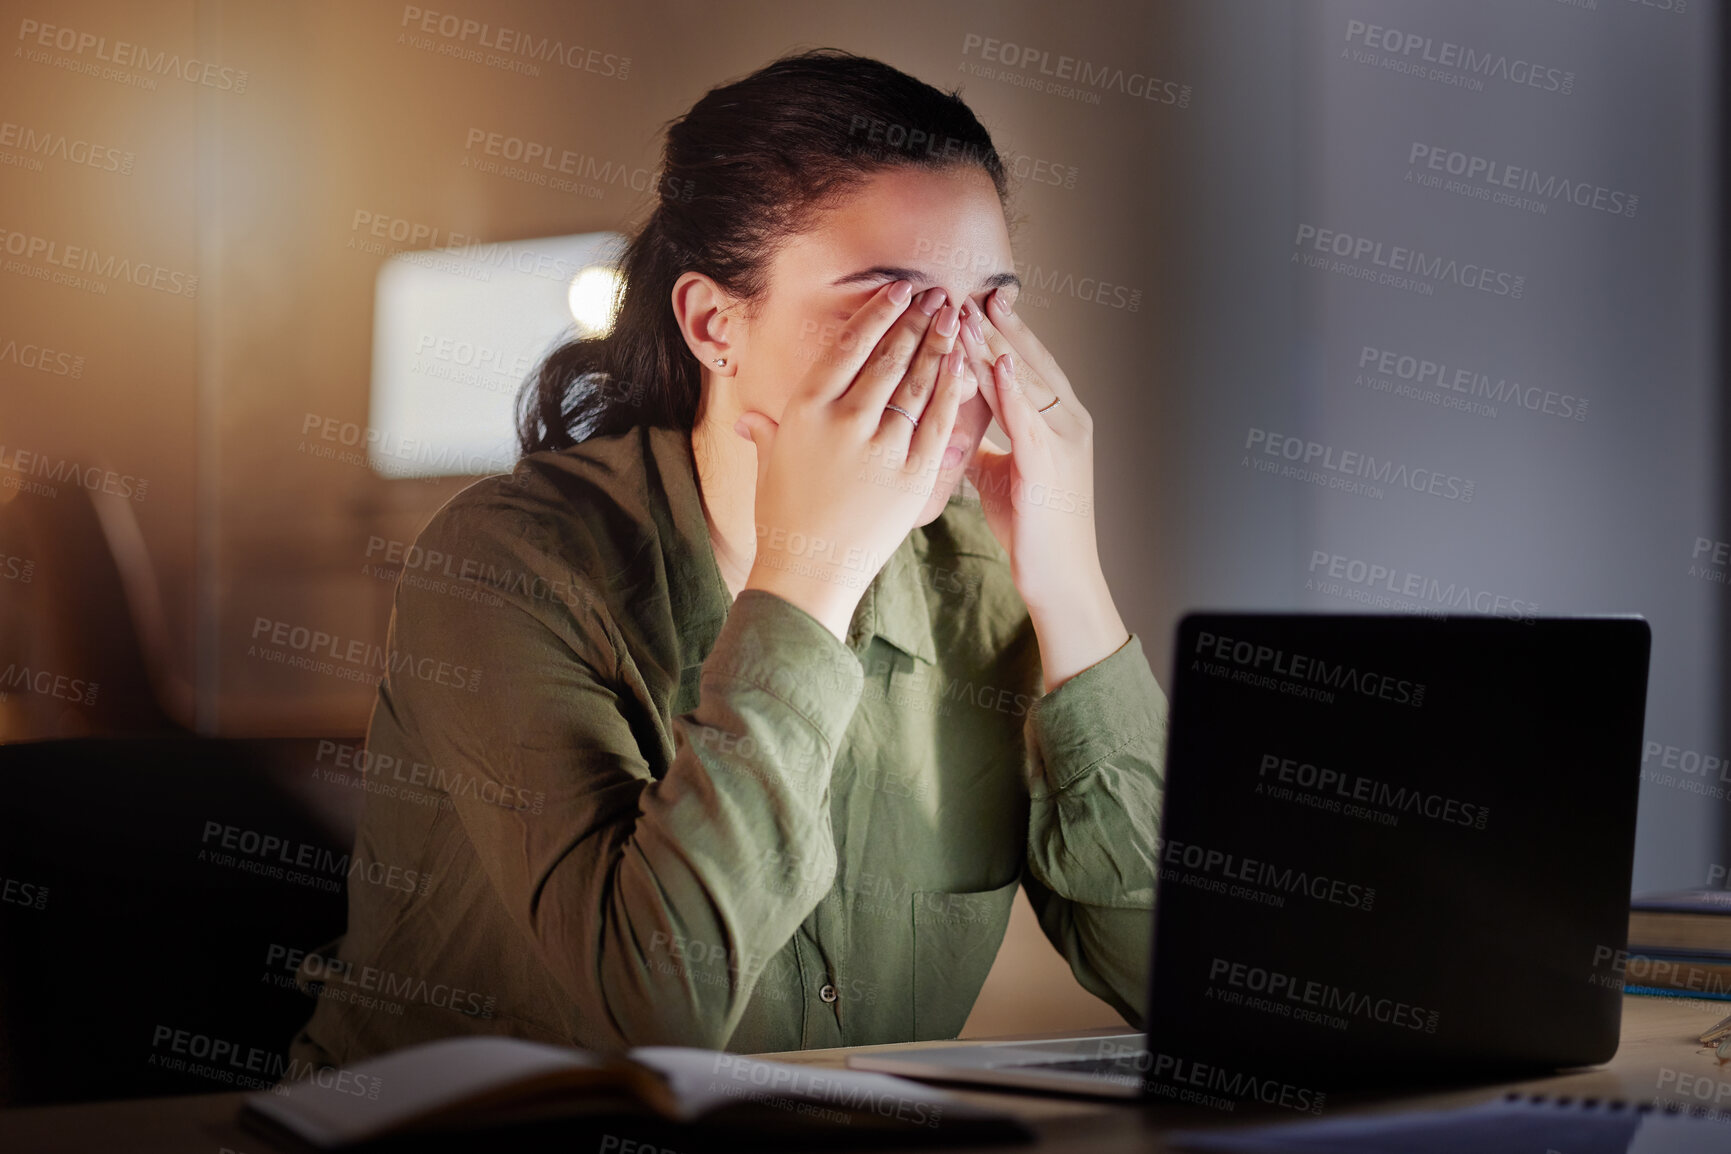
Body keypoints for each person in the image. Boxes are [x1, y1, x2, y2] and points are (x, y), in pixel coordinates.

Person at [288, 48, 1166, 1068]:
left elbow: (1171, 981)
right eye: (892, 306)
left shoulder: (974, 581)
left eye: (985, 310)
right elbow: (659, 1010)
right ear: (714, 325)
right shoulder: (505, 565)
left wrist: (1071, 587)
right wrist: (810, 572)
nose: (953, 364)